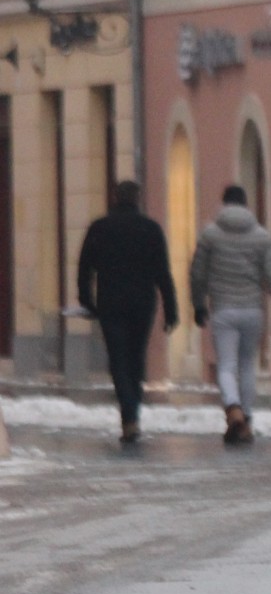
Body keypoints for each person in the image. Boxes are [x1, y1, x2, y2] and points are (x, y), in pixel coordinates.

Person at [76, 180, 179, 444]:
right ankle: (132, 413)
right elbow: (163, 273)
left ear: (115, 197)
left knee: (118, 359)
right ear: (137, 198)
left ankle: (129, 414)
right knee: (136, 356)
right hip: (143, 303)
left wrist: (86, 299)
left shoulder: (100, 228)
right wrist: (171, 309)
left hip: (111, 302)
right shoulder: (151, 229)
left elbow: (85, 266)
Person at [189, 185, 271, 446]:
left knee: (226, 365)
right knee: (247, 365)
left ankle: (233, 410)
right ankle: (246, 417)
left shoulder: (209, 235)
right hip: (253, 310)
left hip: (223, 309)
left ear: (223, 204)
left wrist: (198, 304)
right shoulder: (261, 237)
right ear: (246, 205)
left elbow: (197, 273)